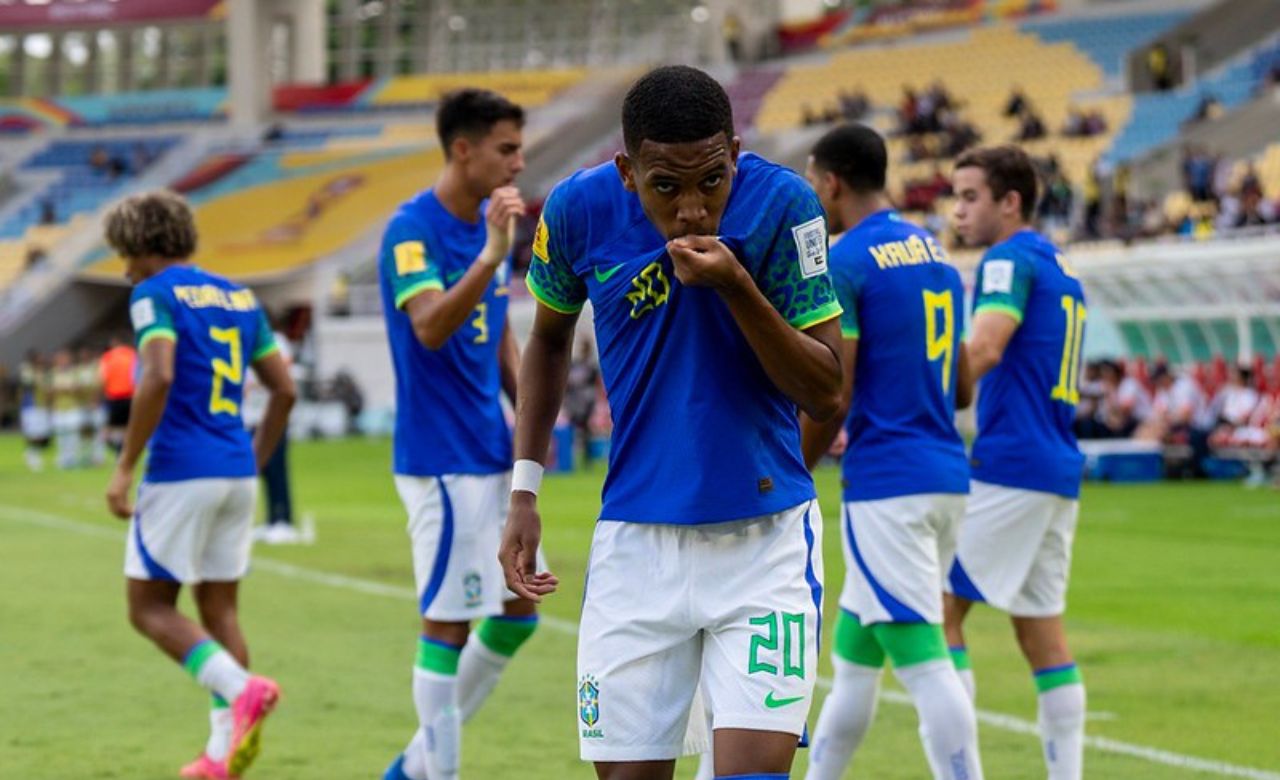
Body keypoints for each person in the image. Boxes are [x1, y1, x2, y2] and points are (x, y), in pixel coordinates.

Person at [501, 65, 843, 779]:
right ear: (627, 171)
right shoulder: (576, 210)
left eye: (711, 180)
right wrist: (524, 489)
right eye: (667, 186)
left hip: (764, 542)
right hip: (637, 545)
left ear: (736, 154)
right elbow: (548, 339)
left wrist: (736, 285)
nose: (693, 208)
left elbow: (826, 391)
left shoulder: (784, 205)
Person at [798, 123, 982, 780]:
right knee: (854, 659)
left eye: (814, 180)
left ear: (832, 182)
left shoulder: (846, 262)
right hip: (943, 473)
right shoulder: (933, 250)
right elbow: (961, 386)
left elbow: (833, 394)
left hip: (889, 484)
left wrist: (795, 467)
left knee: (924, 661)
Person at [102, 190, 296, 780]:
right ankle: (220, 758)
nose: (124, 268)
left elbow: (157, 373)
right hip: (236, 470)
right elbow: (284, 390)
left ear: (142, 245)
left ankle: (241, 691)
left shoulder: (152, 295)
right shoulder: (240, 296)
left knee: (149, 607)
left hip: (181, 470)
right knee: (220, 609)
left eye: (124, 254)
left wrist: (124, 465)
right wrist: (255, 459)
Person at [377, 88, 538, 780]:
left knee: (518, 613)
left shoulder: (486, 222)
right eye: (507, 149)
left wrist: (527, 412)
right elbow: (431, 326)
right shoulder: (410, 230)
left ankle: (414, 766)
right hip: (440, 462)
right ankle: (435, 773)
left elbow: (497, 333)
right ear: (463, 149)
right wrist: (491, 253)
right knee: (448, 626)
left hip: (491, 451)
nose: (518, 163)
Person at [944, 146, 1088, 780]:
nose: (958, 209)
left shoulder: (1007, 259)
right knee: (1041, 634)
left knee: (938, 613)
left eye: (971, 196)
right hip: (1056, 465)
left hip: (1013, 463)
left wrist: (916, 394)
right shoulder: (1060, 265)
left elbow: (986, 345)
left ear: (1010, 202)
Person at [99, 334, 137, 455]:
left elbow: (103, 378)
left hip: (114, 396)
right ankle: (122, 448)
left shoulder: (108, 357)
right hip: (130, 395)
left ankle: (114, 445)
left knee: (112, 426)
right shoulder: (132, 354)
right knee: (126, 426)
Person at [19, 350, 52, 472]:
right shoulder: (27, 371)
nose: (42, 360)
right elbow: (28, 384)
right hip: (30, 406)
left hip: (41, 406)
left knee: (42, 434)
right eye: (39, 358)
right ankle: (32, 454)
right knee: (32, 433)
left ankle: (33, 453)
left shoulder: (43, 373)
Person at [48, 348, 82, 469]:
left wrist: (69, 389)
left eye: (65, 359)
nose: (63, 361)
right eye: (60, 359)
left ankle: (72, 458)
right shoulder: (53, 373)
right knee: (61, 434)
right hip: (58, 408)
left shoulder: (74, 372)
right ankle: (62, 458)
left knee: (73, 434)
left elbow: (79, 389)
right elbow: (49, 391)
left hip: (72, 407)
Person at [76, 345, 106, 466]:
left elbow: (100, 385)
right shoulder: (78, 370)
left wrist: (95, 401)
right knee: (83, 433)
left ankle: (98, 457)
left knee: (98, 431)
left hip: (96, 405)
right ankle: (85, 456)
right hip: (82, 405)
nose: (84, 357)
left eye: (85, 354)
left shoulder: (96, 368)